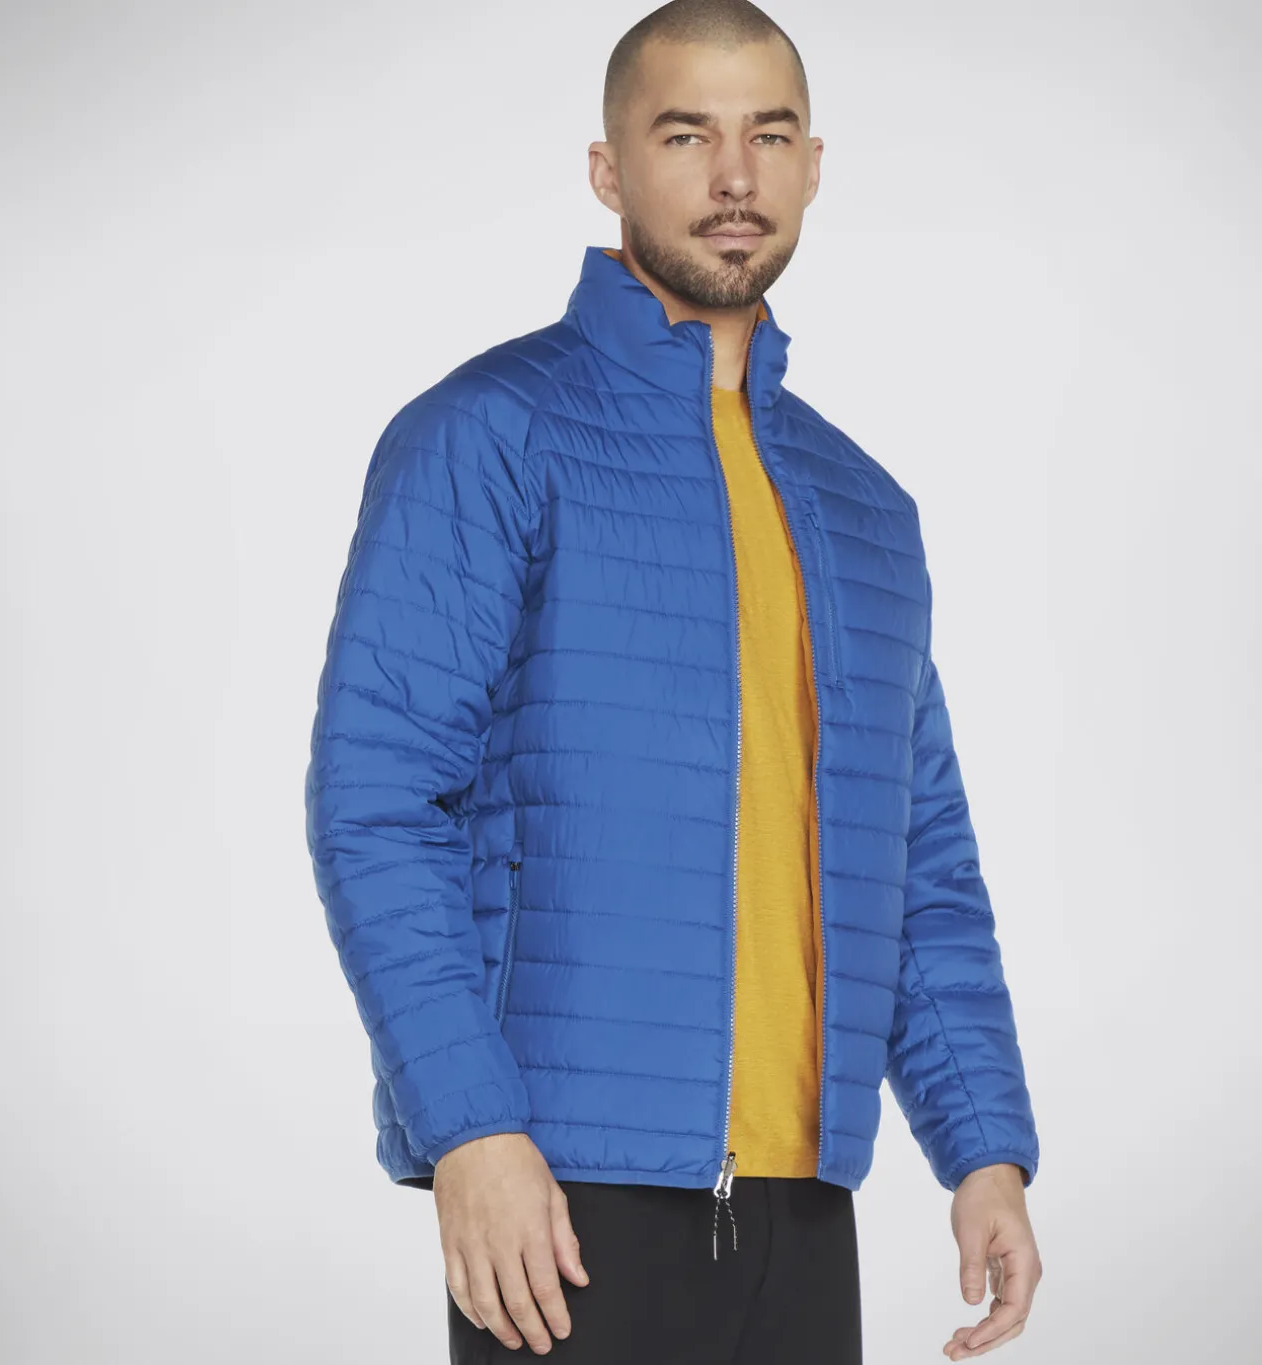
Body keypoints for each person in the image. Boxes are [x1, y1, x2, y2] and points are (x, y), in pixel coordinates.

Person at [303, 2, 1043, 1360]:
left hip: (805, 1204)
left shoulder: (863, 507)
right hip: (560, 1198)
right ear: (609, 168)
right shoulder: (490, 435)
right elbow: (378, 801)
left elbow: (918, 862)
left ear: (813, 166)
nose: (735, 176)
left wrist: (983, 1149)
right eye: (687, 135)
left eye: (770, 136)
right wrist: (468, 1128)